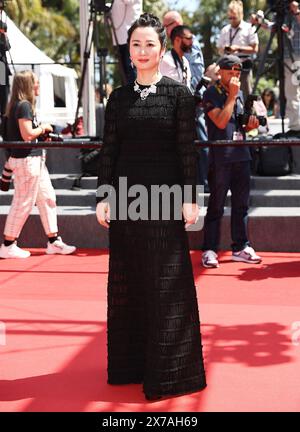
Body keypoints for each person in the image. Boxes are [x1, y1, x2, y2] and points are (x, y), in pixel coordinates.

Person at [96, 13, 206, 400]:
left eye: (149, 45)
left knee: (167, 283)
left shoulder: (178, 95)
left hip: (164, 201)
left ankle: (171, 371)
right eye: (135, 45)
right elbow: (109, 149)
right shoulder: (118, 98)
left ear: (162, 50)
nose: (142, 52)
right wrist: (103, 196)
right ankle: (132, 365)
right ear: (129, 50)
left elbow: (186, 151)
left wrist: (191, 197)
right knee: (132, 280)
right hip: (126, 201)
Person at [0, 71, 76, 259]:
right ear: (27, 85)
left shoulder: (14, 107)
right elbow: (27, 135)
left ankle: (53, 241)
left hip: (32, 161)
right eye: (35, 82)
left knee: (48, 198)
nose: (38, 86)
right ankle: (8, 244)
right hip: (28, 161)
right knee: (23, 202)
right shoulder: (24, 106)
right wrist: (44, 128)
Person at [201, 55, 262, 268]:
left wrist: (251, 124)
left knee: (241, 205)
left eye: (238, 72)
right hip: (220, 157)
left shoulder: (240, 93)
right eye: (231, 71)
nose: (235, 75)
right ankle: (209, 249)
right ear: (220, 72)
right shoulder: (210, 93)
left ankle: (241, 246)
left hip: (242, 155)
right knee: (216, 206)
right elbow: (220, 121)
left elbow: (242, 123)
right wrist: (232, 97)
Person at [163, 11, 209, 191]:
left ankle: (203, 183)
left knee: (201, 142)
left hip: (193, 103)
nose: (164, 31)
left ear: (174, 25)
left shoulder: (189, 43)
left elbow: (196, 76)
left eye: (166, 26)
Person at [217, 0, 259, 99]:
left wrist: (238, 49)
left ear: (241, 15)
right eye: (230, 18)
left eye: (234, 17)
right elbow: (219, 49)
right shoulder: (225, 30)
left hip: (243, 67)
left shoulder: (249, 28)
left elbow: (255, 48)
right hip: (227, 67)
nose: (232, 20)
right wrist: (225, 49)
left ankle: (248, 113)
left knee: (246, 94)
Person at [110, 0, 143, 84]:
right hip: (119, 38)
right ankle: (127, 95)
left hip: (130, 38)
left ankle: (134, 96)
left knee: (131, 69)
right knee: (123, 72)